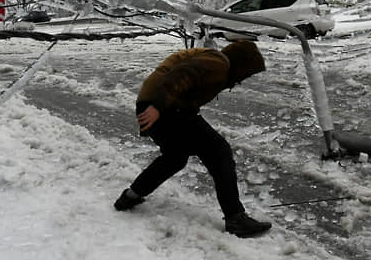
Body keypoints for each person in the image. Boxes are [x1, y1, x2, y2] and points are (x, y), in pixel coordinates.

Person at [114, 40, 273, 238]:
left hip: (159, 105)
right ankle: (235, 218)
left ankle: (130, 196)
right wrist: (157, 106)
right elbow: (182, 74)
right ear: (241, 64)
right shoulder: (219, 62)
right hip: (162, 107)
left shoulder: (217, 63)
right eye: (246, 73)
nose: (242, 80)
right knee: (219, 151)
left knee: (175, 157)